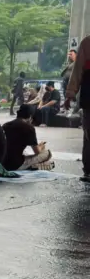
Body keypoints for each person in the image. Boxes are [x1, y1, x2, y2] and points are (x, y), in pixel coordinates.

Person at [65, 36, 90, 182]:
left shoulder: (87, 42)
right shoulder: (87, 43)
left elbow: (77, 69)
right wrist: (70, 94)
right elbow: (78, 69)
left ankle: (88, 170)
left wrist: (70, 94)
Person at [3, 105, 52, 171]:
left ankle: (32, 166)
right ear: (30, 116)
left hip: (3, 162)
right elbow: (37, 152)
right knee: (47, 153)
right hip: (16, 164)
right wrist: (41, 146)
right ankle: (31, 167)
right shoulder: (29, 127)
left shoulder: (5, 125)